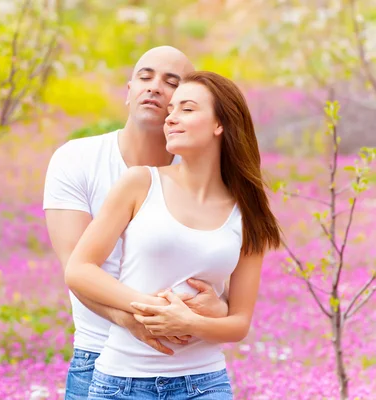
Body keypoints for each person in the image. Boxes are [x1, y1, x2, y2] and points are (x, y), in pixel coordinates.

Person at [64, 71, 282, 399]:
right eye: (171, 111)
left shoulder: (247, 212)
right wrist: (154, 308)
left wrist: (188, 322)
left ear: (219, 124)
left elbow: (239, 324)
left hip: (203, 384)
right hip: (120, 383)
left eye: (187, 109)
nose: (171, 118)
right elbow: (79, 270)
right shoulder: (139, 183)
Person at [43, 47, 230, 400]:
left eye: (171, 82)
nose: (155, 87)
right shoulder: (76, 160)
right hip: (99, 359)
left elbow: (229, 287)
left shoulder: (205, 177)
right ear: (128, 90)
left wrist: (218, 309)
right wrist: (133, 319)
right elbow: (77, 270)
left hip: (190, 369)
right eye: (145, 77)